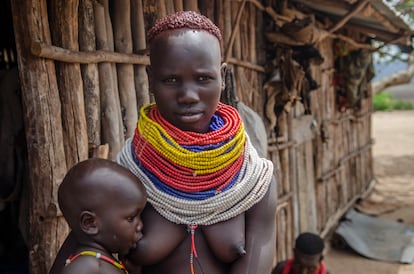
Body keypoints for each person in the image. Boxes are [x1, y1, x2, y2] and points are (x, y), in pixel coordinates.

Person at [116, 10, 277, 274]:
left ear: (223, 77)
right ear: (150, 79)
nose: (188, 96)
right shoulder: (126, 174)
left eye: (203, 78)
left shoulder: (256, 182)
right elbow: (85, 259)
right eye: (171, 80)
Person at [54, 158, 147, 274]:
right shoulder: (86, 267)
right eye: (131, 218)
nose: (140, 225)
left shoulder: (101, 263)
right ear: (90, 223)